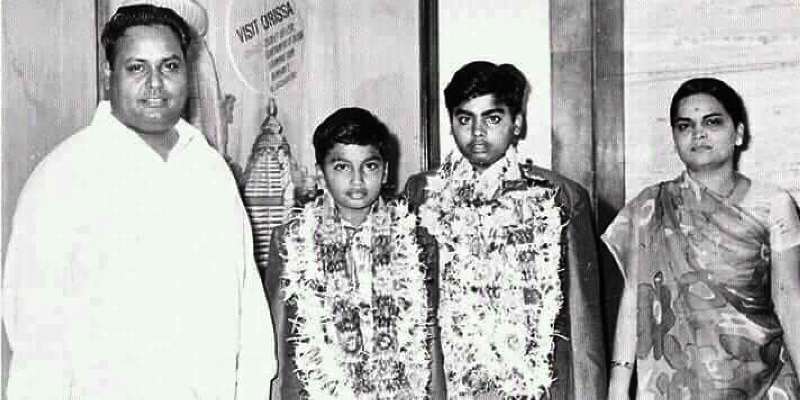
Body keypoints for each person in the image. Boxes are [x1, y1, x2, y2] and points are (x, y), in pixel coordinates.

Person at [2, 3, 275, 398]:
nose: (155, 84)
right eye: (136, 67)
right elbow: (37, 348)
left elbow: (250, 318)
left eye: (169, 66)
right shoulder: (63, 179)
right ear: (109, 74)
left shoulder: (212, 174)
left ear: (188, 71)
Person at [404, 61, 606, 399]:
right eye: (465, 119)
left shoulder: (559, 196)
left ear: (517, 123)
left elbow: (584, 321)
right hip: (449, 379)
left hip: (533, 381)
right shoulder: (422, 194)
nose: (478, 132)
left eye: (492, 118)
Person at [603, 77, 800, 399]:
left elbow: (790, 299)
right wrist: (618, 385)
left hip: (764, 382)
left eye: (712, 122)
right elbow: (633, 301)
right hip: (674, 382)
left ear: (738, 133)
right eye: (685, 125)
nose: (698, 133)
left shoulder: (773, 203)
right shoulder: (649, 207)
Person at [264, 107, 445, 399]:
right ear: (321, 173)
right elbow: (275, 338)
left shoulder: (417, 242)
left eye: (369, 166)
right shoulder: (290, 240)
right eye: (342, 167)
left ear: (385, 171)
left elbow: (430, 335)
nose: (357, 180)